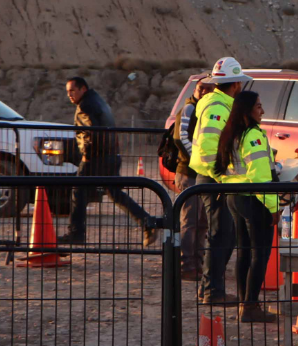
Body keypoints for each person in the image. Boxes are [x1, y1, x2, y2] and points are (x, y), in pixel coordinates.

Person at [60, 77, 157, 246]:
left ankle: (76, 234)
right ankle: (147, 222)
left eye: (72, 91)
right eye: (68, 92)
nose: (70, 95)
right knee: (114, 193)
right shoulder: (97, 100)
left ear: (83, 89)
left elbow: (92, 131)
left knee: (78, 192)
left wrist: (87, 154)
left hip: (96, 157)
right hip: (110, 155)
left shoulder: (85, 106)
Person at [189, 57, 252, 306]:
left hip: (215, 179)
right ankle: (212, 292)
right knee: (221, 234)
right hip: (214, 180)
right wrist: (222, 177)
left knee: (224, 234)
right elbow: (207, 148)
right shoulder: (218, 107)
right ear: (235, 84)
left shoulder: (219, 103)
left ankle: (209, 289)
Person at [214, 91, 279, 323]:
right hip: (254, 199)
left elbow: (217, 168)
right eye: (259, 106)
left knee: (243, 252)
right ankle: (250, 306)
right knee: (259, 255)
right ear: (248, 110)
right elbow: (262, 177)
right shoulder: (253, 136)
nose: (262, 111)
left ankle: (245, 303)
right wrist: (274, 207)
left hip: (234, 197)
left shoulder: (231, 134)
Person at [174, 81, 214, 281]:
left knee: (201, 221)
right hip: (189, 172)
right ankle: (185, 265)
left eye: (209, 88)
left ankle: (197, 263)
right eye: (201, 87)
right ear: (195, 89)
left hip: (199, 172)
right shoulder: (189, 108)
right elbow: (180, 138)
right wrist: (198, 161)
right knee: (190, 221)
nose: (205, 91)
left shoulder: (204, 108)